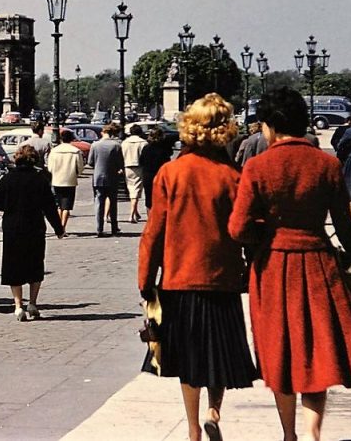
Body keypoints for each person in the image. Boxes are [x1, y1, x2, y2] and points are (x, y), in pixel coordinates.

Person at [229, 87, 351, 441]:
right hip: (318, 263)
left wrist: (263, 233)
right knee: (314, 353)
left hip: (273, 267)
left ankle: (289, 434)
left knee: (279, 351)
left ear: (270, 126)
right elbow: (346, 227)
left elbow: (238, 228)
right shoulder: (326, 164)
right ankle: (313, 431)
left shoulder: (257, 167)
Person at [138, 94, 258, 441]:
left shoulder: (170, 173)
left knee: (188, 359)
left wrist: (146, 279)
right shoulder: (232, 176)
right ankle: (214, 411)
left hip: (179, 277)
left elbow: (154, 231)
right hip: (222, 278)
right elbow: (245, 229)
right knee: (217, 353)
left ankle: (193, 431)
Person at [0, 144, 64, 321]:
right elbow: (49, 206)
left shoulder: (7, 179)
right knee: (34, 264)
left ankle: (18, 306)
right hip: (34, 225)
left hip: (13, 226)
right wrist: (58, 228)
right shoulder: (40, 179)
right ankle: (32, 303)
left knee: (13, 265)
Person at [86, 122, 123, 237]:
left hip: (98, 177)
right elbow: (120, 163)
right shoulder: (116, 145)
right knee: (113, 203)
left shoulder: (95, 145)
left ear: (103, 132)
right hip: (112, 177)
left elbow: (90, 162)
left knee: (99, 204)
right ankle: (114, 228)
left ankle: (99, 229)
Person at [46, 128, 84, 234]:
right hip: (70, 180)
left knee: (59, 205)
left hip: (57, 180)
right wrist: (76, 174)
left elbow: (50, 168)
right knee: (67, 206)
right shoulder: (75, 151)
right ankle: (63, 227)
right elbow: (80, 168)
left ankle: (58, 227)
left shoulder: (54, 151)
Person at [139, 126, 172, 212]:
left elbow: (141, 161)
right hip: (160, 175)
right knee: (162, 197)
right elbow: (168, 162)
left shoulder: (146, 148)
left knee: (149, 199)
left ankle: (150, 219)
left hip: (148, 175)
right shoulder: (164, 148)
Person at [121, 124, 148, 223]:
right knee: (136, 191)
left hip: (127, 166)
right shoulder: (143, 143)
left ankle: (135, 212)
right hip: (138, 167)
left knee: (131, 189)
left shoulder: (124, 143)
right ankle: (132, 214)